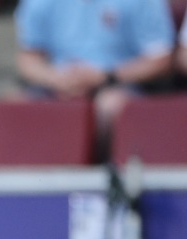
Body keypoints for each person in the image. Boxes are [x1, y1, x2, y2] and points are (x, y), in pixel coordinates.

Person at [14, 0, 174, 151]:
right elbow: (28, 58)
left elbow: (161, 60)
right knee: (13, 107)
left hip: (119, 83)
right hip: (57, 84)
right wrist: (56, 79)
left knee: (110, 105)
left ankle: (101, 174)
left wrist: (106, 76)